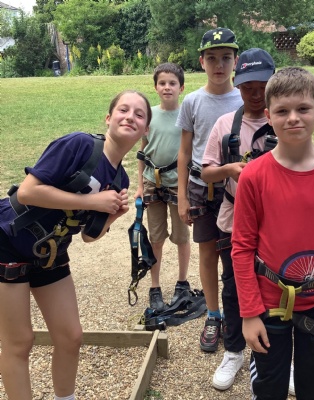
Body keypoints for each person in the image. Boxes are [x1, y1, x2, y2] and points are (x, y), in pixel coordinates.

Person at [0, 90, 152, 400]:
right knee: (19, 341)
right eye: (123, 110)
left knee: (70, 337)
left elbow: (88, 236)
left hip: (50, 251)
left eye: (139, 114)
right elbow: (28, 192)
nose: (130, 117)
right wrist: (93, 201)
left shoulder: (120, 180)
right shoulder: (79, 145)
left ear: (145, 130)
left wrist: (113, 215)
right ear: (108, 118)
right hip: (9, 239)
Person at [231, 67, 314, 400]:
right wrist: (249, 313)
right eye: (282, 111)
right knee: (269, 388)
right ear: (268, 117)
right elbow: (242, 248)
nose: (293, 118)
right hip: (269, 302)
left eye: (302, 108)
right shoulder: (254, 176)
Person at [202, 48, 276, 390]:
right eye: (248, 88)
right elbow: (206, 172)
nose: (256, 94)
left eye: (263, 87)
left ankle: (278, 355)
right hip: (234, 219)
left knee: (278, 287)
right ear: (238, 85)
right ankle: (233, 351)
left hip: (277, 222)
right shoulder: (225, 125)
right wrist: (230, 169)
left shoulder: (283, 119)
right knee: (233, 287)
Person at [176, 27, 243, 352]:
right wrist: (181, 196)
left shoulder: (243, 98)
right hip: (201, 187)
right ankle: (213, 314)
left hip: (236, 189)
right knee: (207, 253)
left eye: (226, 58)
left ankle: (233, 312)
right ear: (201, 61)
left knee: (234, 253)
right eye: (212, 58)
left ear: (236, 61)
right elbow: (185, 152)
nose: (219, 65)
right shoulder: (192, 101)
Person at [134, 63, 191, 312]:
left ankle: (182, 282)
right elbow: (142, 152)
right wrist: (139, 186)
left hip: (178, 184)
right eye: (162, 83)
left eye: (172, 83)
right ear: (156, 87)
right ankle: (154, 286)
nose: (167, 87)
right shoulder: (150, 115)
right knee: (156, 238)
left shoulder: (185, 116)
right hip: (152, 182)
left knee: (181, 237)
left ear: (181, 87)